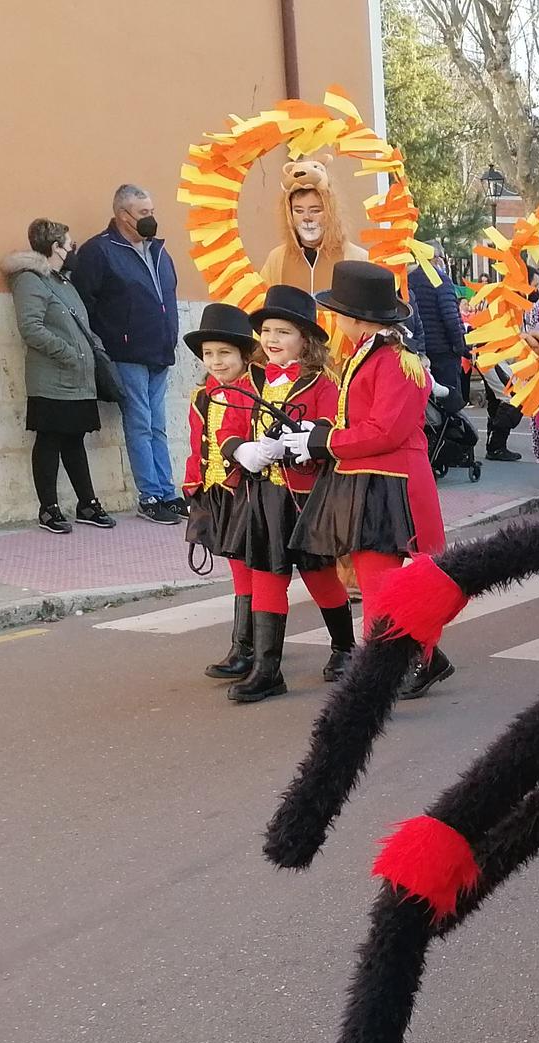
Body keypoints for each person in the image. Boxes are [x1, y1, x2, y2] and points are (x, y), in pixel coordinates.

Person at [288, 261, 454, 695]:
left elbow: (385, 431)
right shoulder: (368, 354)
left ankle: (388, 670)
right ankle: (415, 660)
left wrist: (323, 442)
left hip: (393, 482)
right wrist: (318, 434)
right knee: (380, 583)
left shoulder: (395, 360)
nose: (335, 320)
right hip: (371, 479)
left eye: (339, 312)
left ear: (358, 318)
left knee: (401, 585)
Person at [209, 284, 351, 699]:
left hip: (305, 497)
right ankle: (268, 668)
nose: (271, 339)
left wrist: (303, 442)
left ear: (304, 340)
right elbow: (227, 429)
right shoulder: (251, 381)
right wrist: (243, 450)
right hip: (262, 497)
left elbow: (330, 426)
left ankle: (345, 647)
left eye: (283, 332)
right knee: (266, 575)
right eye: (267, 331)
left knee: (320, 575)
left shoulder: (322, 383)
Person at [71, 185, 181, 525]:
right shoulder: (100, 251)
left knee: (157, 425)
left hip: (159, 350)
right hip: (126, 352)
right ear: (123, 215)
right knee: (139, 423)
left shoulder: (159, 251)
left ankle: (167, 491)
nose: (151, 219)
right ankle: (149, 496)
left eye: (151, 211)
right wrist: (102, 346)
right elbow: (84, 303)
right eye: (143, 213)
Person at [2, 220, 116, 536]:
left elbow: (81, 324)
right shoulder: (30, 281)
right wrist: (71, 354)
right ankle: (48, 508)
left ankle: (87, 504)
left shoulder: (63, 282)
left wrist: (93, 350)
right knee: (50, 439)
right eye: (71, 245)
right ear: (56, 247)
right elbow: (31, 327)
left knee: (74, 437)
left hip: (78, 377)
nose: (73, 251)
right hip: (52, 378)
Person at [179, 305, 262, 658]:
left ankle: (248, 647)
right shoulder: (201, 396)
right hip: (218, 494)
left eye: (225, 353)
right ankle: (245, 646)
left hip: (251, 491)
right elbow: (197, 442)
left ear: (244, 354)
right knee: (238, 567)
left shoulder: (259, 389)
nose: (216, 361)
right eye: (208, 354)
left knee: (258, 568)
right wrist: (193, 487)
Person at [258, 158, 368, 297]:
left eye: (315, 210)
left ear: (330, 211)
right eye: (298, 210)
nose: (307, 218)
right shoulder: (276, 259)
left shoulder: (357, 258)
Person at [413, 249, 471, 401]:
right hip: (444, 352)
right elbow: (451, 317)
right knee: (450, 402)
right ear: (437, 259)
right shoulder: (441, 280)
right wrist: (460, 347)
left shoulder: (408, 280)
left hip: (417, 353)